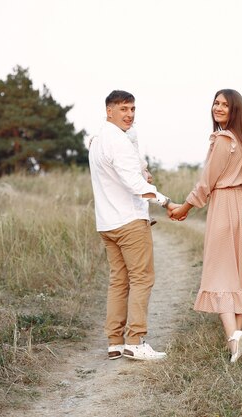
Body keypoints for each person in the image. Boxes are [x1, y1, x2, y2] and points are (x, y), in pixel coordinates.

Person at [170, 89, 242, 363]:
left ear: (234, 110)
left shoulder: (223, 140)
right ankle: (236, 342)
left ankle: (234, 338)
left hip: (224, 204)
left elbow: (207, 181)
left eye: (224, 105)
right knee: (239, 274)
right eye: (216, 103)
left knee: (220, 274)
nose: (218, 108)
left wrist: (185, 207)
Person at [88, 90, 178, 361]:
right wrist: (165, 201)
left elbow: (127, 172)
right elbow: (134, 184)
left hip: (107, 223)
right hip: (128, 221)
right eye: (124, 109)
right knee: (142, 278)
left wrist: (141, 169)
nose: (129, 115)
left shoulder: (98, 140)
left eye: (133, 109)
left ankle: (115, 342)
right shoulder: (117, 141)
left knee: (119, 281)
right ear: (109, 111)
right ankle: (136, 340)